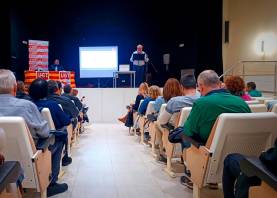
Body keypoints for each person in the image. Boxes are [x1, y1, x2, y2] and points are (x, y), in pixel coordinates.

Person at [168, 70, 251, 189]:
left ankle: (192, 176)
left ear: (200, 87)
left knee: (183, 135)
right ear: (218, 83)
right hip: (238, 156)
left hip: (208, 155)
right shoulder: (241, 103)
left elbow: (188, 132)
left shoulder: (202, 103)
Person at [0, 69, 68, 196]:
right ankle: (50, 184)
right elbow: (44, 133)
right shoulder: (27, 106)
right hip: (31, 159)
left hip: (3, 161)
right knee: (57, 141)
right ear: (15, 88)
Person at [155, 75, 200, 163]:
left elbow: (162, 121)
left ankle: (163, 153)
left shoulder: (175, 101)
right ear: (196, 85)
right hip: (197, 132)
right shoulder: (203, 99)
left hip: (177, 131)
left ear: (181, 87)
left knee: (157, 124)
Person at [29, 78, 73, 166]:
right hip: (46, 143)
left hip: (28, 145)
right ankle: (55, 175)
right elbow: (66, 122)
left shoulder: (26, 105)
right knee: (62, 135)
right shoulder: (52, 105)